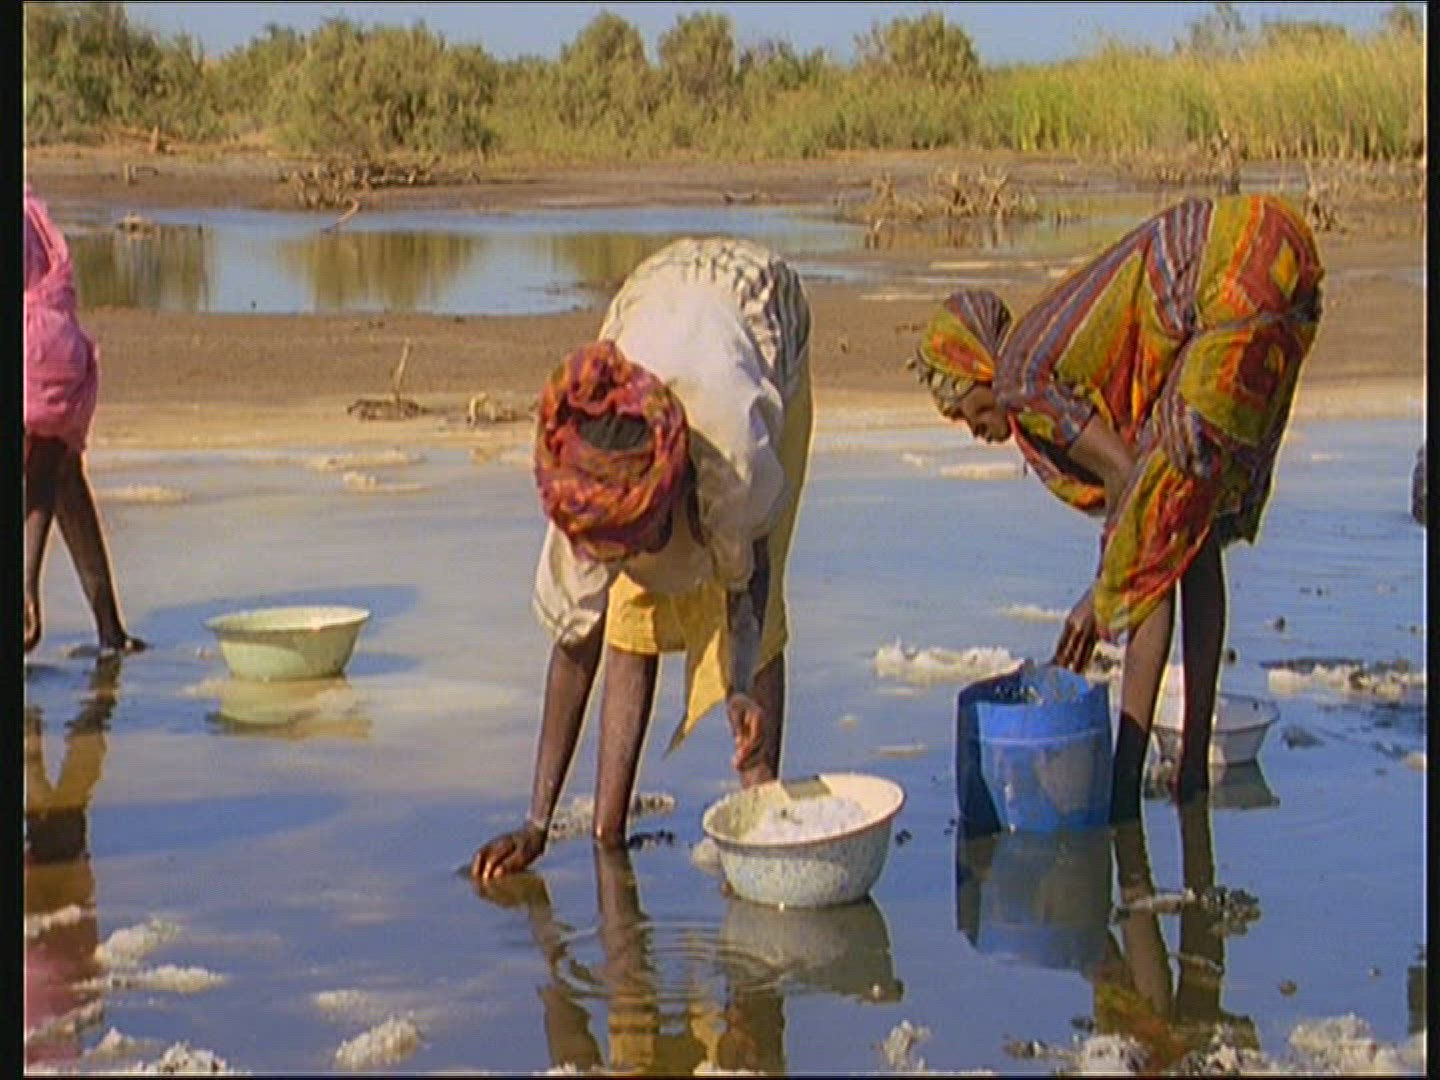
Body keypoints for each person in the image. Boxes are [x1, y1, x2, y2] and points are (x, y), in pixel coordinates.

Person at [908, 195, 1323, 820]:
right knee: (1192, 532)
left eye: (966, 411)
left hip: (1235, 269)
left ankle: (1126, 785)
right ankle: (1189, 772)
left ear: (979, 368)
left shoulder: (1021, 381)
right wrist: (1117, 577)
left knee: (1157, 533)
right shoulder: (1043, 359)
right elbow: (1155, 517)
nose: (975, 430)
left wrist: (1099, 595)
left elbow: (1129, 478)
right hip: (1276, 256)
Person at [471, 237, 813, 881]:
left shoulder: (734, 456)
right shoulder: (587, 486)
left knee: (756, 612)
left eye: (641, 535)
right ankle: (609, 832)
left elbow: (750, 579)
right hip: (652, 298)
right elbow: (575, 645)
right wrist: (537, 824)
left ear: (673, 485)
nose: (631, 557)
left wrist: (739, 685)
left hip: (757, 305)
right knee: (628, 613)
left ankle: (763, 811)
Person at [24, 184, 145, 657]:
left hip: (39, 353)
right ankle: (110, 631)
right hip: (59, 353)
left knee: (57, 474)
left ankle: (102, 628)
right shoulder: (32, 215)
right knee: (62, 476)